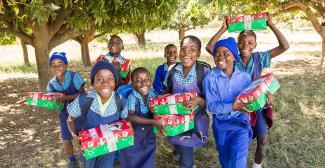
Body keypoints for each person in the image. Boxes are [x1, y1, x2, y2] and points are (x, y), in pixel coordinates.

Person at [206, 14, 289, 168]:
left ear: (255, 45)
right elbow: (211, 48)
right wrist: (223, 28)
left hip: (256, 105)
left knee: (263, 139)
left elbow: (284, 46)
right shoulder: (230, 58)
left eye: (250, 43)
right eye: (242, 43)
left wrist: (271, 24)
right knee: (235, 144)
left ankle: (257, 166)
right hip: (235, 108)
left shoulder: (260, 57)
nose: (246, 45)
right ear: (237, 45)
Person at [66, 61, 128, 168]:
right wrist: (74, 135)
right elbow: (70, 119)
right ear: (93, 83)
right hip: (88, 149)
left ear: (115, 82)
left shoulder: (121, 101)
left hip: (109, 148)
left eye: (110, 79)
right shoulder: (84, 100)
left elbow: (124, 122)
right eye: (99, 79)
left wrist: (126, 129)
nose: (105, 83)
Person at [203, 37, 253, 168]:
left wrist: (266, 100)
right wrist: (233, 106)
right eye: (217, 54)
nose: (221, 57)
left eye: (226, 53)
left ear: (235, 57)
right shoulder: (210, 78)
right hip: (221, 127)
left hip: (241, 124)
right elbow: (211, 106)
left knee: (239, 162)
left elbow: (253, 100)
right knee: (226, 162)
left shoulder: (245, 78)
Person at [165, 35, 210, 168]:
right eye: (183, 49)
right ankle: (180, 152)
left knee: (186, 158)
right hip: (176, 120)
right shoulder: (172, 70)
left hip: (195, 120)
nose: (187, 53)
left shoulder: (204, 71)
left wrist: (198, 100)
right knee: (181, 147)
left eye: (192, 49)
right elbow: (167, 92)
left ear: (199, 53)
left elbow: (212, 102)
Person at [119, 67, 164, 168]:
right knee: (132, 159)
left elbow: (160, 110)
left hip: (149, 135)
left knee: (148, 157)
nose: (143, 83)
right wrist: (153, 121)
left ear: (150, 80)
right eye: (138, 81)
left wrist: (157, 111)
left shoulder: (154, 94)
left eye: (146, 79)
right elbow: (130, 116)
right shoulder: (132, 97)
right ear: (132, 83)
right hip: (134, 135)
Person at [46, 52, 85, 168]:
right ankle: (72, 160)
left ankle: (86, 155)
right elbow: (53, 101)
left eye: (60, 64)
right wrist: (53, 102)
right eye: (53, 65)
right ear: (50, 68)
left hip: (79, 113)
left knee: (81, 135)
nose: (56, 67)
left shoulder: (74, 77)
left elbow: (83, 95)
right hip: (64, 114)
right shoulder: (52, 84)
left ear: (66, 65)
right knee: (66, 138)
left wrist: (66, 97)